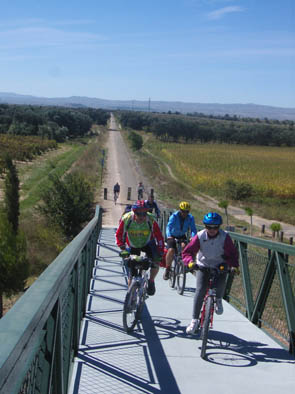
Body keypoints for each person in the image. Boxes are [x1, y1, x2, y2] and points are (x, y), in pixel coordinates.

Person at [182, 212, 239, 335]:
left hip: (220, 264)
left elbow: (233, 253)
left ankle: (218, 299)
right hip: (203, 264)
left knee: (221, 282)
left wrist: (234, 265)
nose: (212, 230)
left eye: (215, 227)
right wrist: (190, 262)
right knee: (200, 290)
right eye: (209, 227)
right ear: (205, 226)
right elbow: (187, 252)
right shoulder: (200, 236)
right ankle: (194, 320)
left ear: (219, 227)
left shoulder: (225, 237)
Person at [116, 200, 164, 295]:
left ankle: (151, 281)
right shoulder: (127, 218)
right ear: (134, 212)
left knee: (156, 262)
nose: (142, 216)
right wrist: (122, 248)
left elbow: (159, 236)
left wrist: (160, 251)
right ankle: (130, 296)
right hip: (133, 244)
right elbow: (119, 234)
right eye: (139, 213)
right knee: (132, 272)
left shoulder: (151, 219)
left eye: (144, 213)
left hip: (148, 243)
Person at [163, 201, 197, 280]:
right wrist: (168, 236)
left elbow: (193, 229)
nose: (184, 213)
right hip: (172, 235)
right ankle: (167, 269)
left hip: (181, 236)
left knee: (184, 247)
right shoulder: (174, 216)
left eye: (187, 212)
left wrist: (193, 237)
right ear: (180, 210)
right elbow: (168, 227)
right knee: (171, 250)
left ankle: (184, 264)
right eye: (183, 211)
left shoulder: (190, 218)